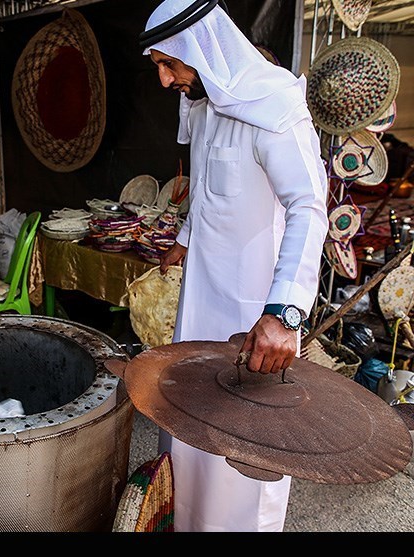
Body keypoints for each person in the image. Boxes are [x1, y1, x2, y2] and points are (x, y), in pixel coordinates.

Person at [140, 0, 329, 531]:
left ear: (202, 50)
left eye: (169, 64)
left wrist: (284, 314)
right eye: (158, 65)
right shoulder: (205, 104)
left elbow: (309, 208)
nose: (164, 79)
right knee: (188, 428)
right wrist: (184, 237)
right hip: (201, 300)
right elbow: (206, 191)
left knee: (244, 457)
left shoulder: (272, 106)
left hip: (253, 310)